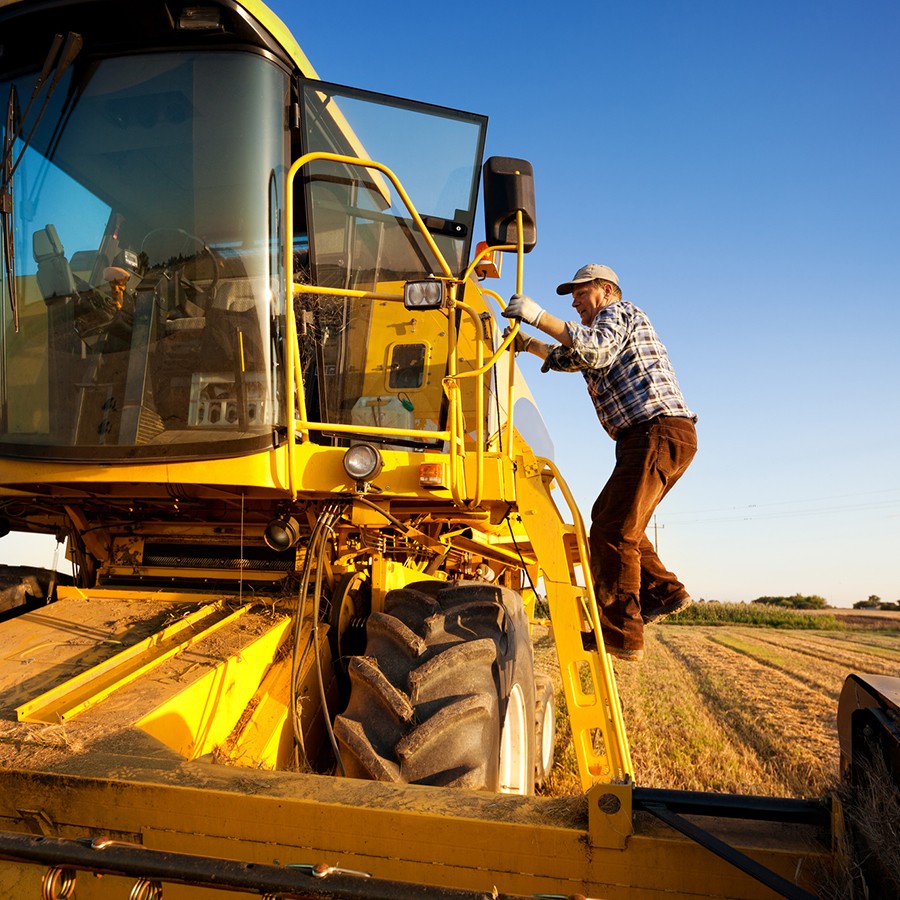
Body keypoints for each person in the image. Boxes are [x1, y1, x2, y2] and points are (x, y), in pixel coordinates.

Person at [502, 264, 697, 662]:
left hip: (654, 431)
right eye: (571, 297)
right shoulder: (606, 327)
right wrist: (528, 344)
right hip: (651, 437)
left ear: (606, 291)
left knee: (613, 529)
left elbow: (593, 349)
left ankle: (623, 633)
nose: (574, 302)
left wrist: (539, 317)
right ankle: (664, 592)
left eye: (580, 292)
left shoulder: (619, 314)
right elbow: (572, 358)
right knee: (610, 517)